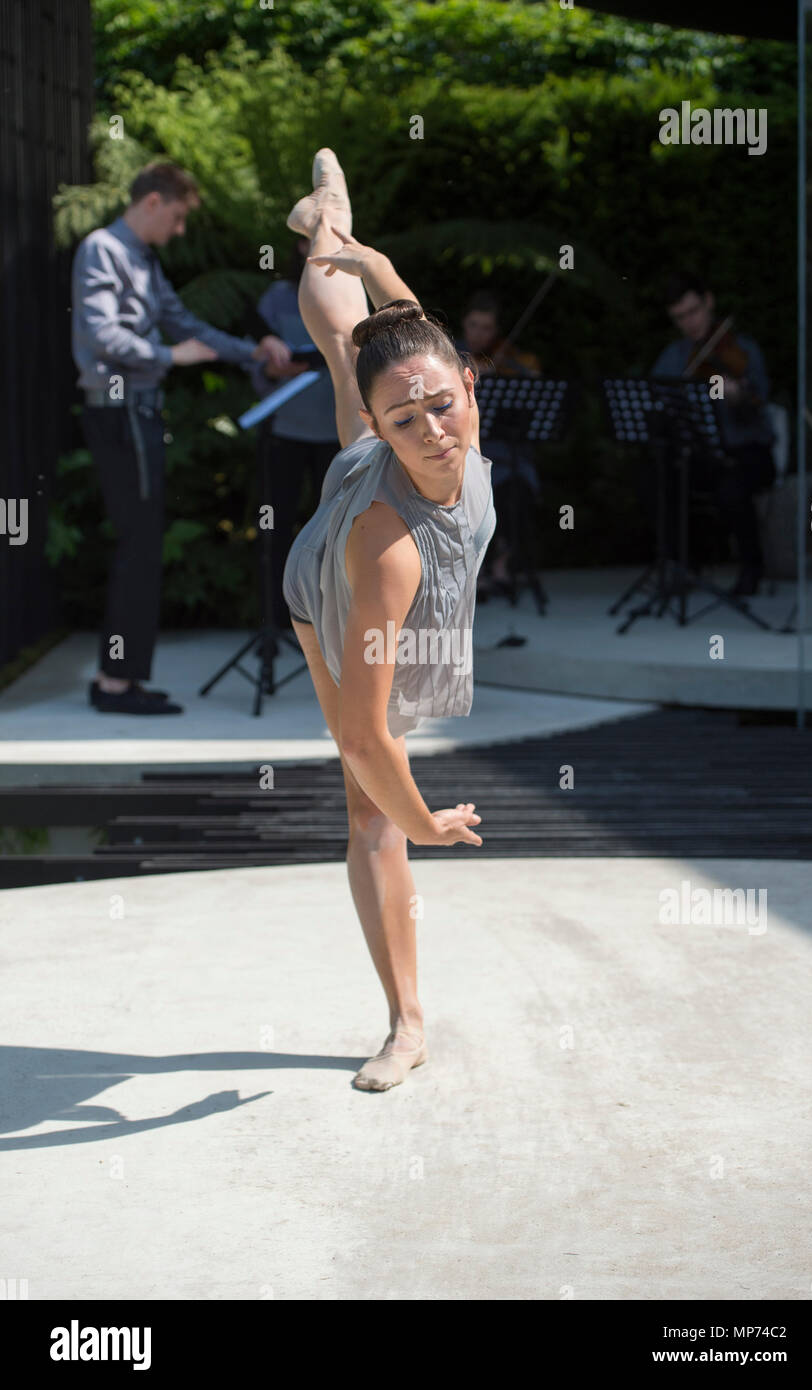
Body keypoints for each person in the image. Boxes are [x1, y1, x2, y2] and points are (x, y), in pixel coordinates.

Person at [281, 150, 496, 1092]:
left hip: (393, 496)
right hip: (327, 588)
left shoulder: (438, 401)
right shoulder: (383, 558)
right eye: (405, 421)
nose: (434, 431)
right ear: (380, 427)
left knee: (353, 342)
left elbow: (407, 338)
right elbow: (367, 736)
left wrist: (369, 264)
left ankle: (330, 223)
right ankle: (406, 1025)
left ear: (469, 385)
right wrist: (427, 822)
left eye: (443, 406)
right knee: (371, 810)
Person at [72, 161, 288, 714]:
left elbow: (184, 321)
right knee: (138, 546)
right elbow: (100, 333)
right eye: (177, 215)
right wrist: (170, 357)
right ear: (151, 203)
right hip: (119, 411)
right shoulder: (103, 249)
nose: (180, 229)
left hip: (140, 411)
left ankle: (122, 679)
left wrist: (252, 350)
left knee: (144, 546)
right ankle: (114, 684)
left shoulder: (143, 259)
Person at [651, 271, 775, 596]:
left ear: (709, 302)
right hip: (702, 452)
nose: (689, 323)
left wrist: (739, 396)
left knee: (732, 488)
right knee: (659, 479)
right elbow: (655, 399)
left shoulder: (743, 349)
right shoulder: (675, 357)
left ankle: (752, 568)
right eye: (680, 318)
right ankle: (683, 566)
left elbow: (758, 401)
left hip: (748, 450)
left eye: (693, 312)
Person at [247, 238, 339, 633]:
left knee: (336, 531)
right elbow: (255, 358)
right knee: (276, 527)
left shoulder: (351, 295)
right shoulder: (278, 296)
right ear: (299, 245)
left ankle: (333, 619)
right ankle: (275, 620)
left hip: (337, 434)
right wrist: (270, 372)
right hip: (285, 429)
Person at [455, 292, 542, 597]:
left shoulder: (507, 358)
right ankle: (475, 570)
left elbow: (532, 381)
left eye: (487, 328)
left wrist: (523, 375)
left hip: (507, 453)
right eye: (474, 326)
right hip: (465, 451)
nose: (480, 335)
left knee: (515, 489)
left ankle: (502, 563)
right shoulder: (450, 357)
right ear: (464, 324)